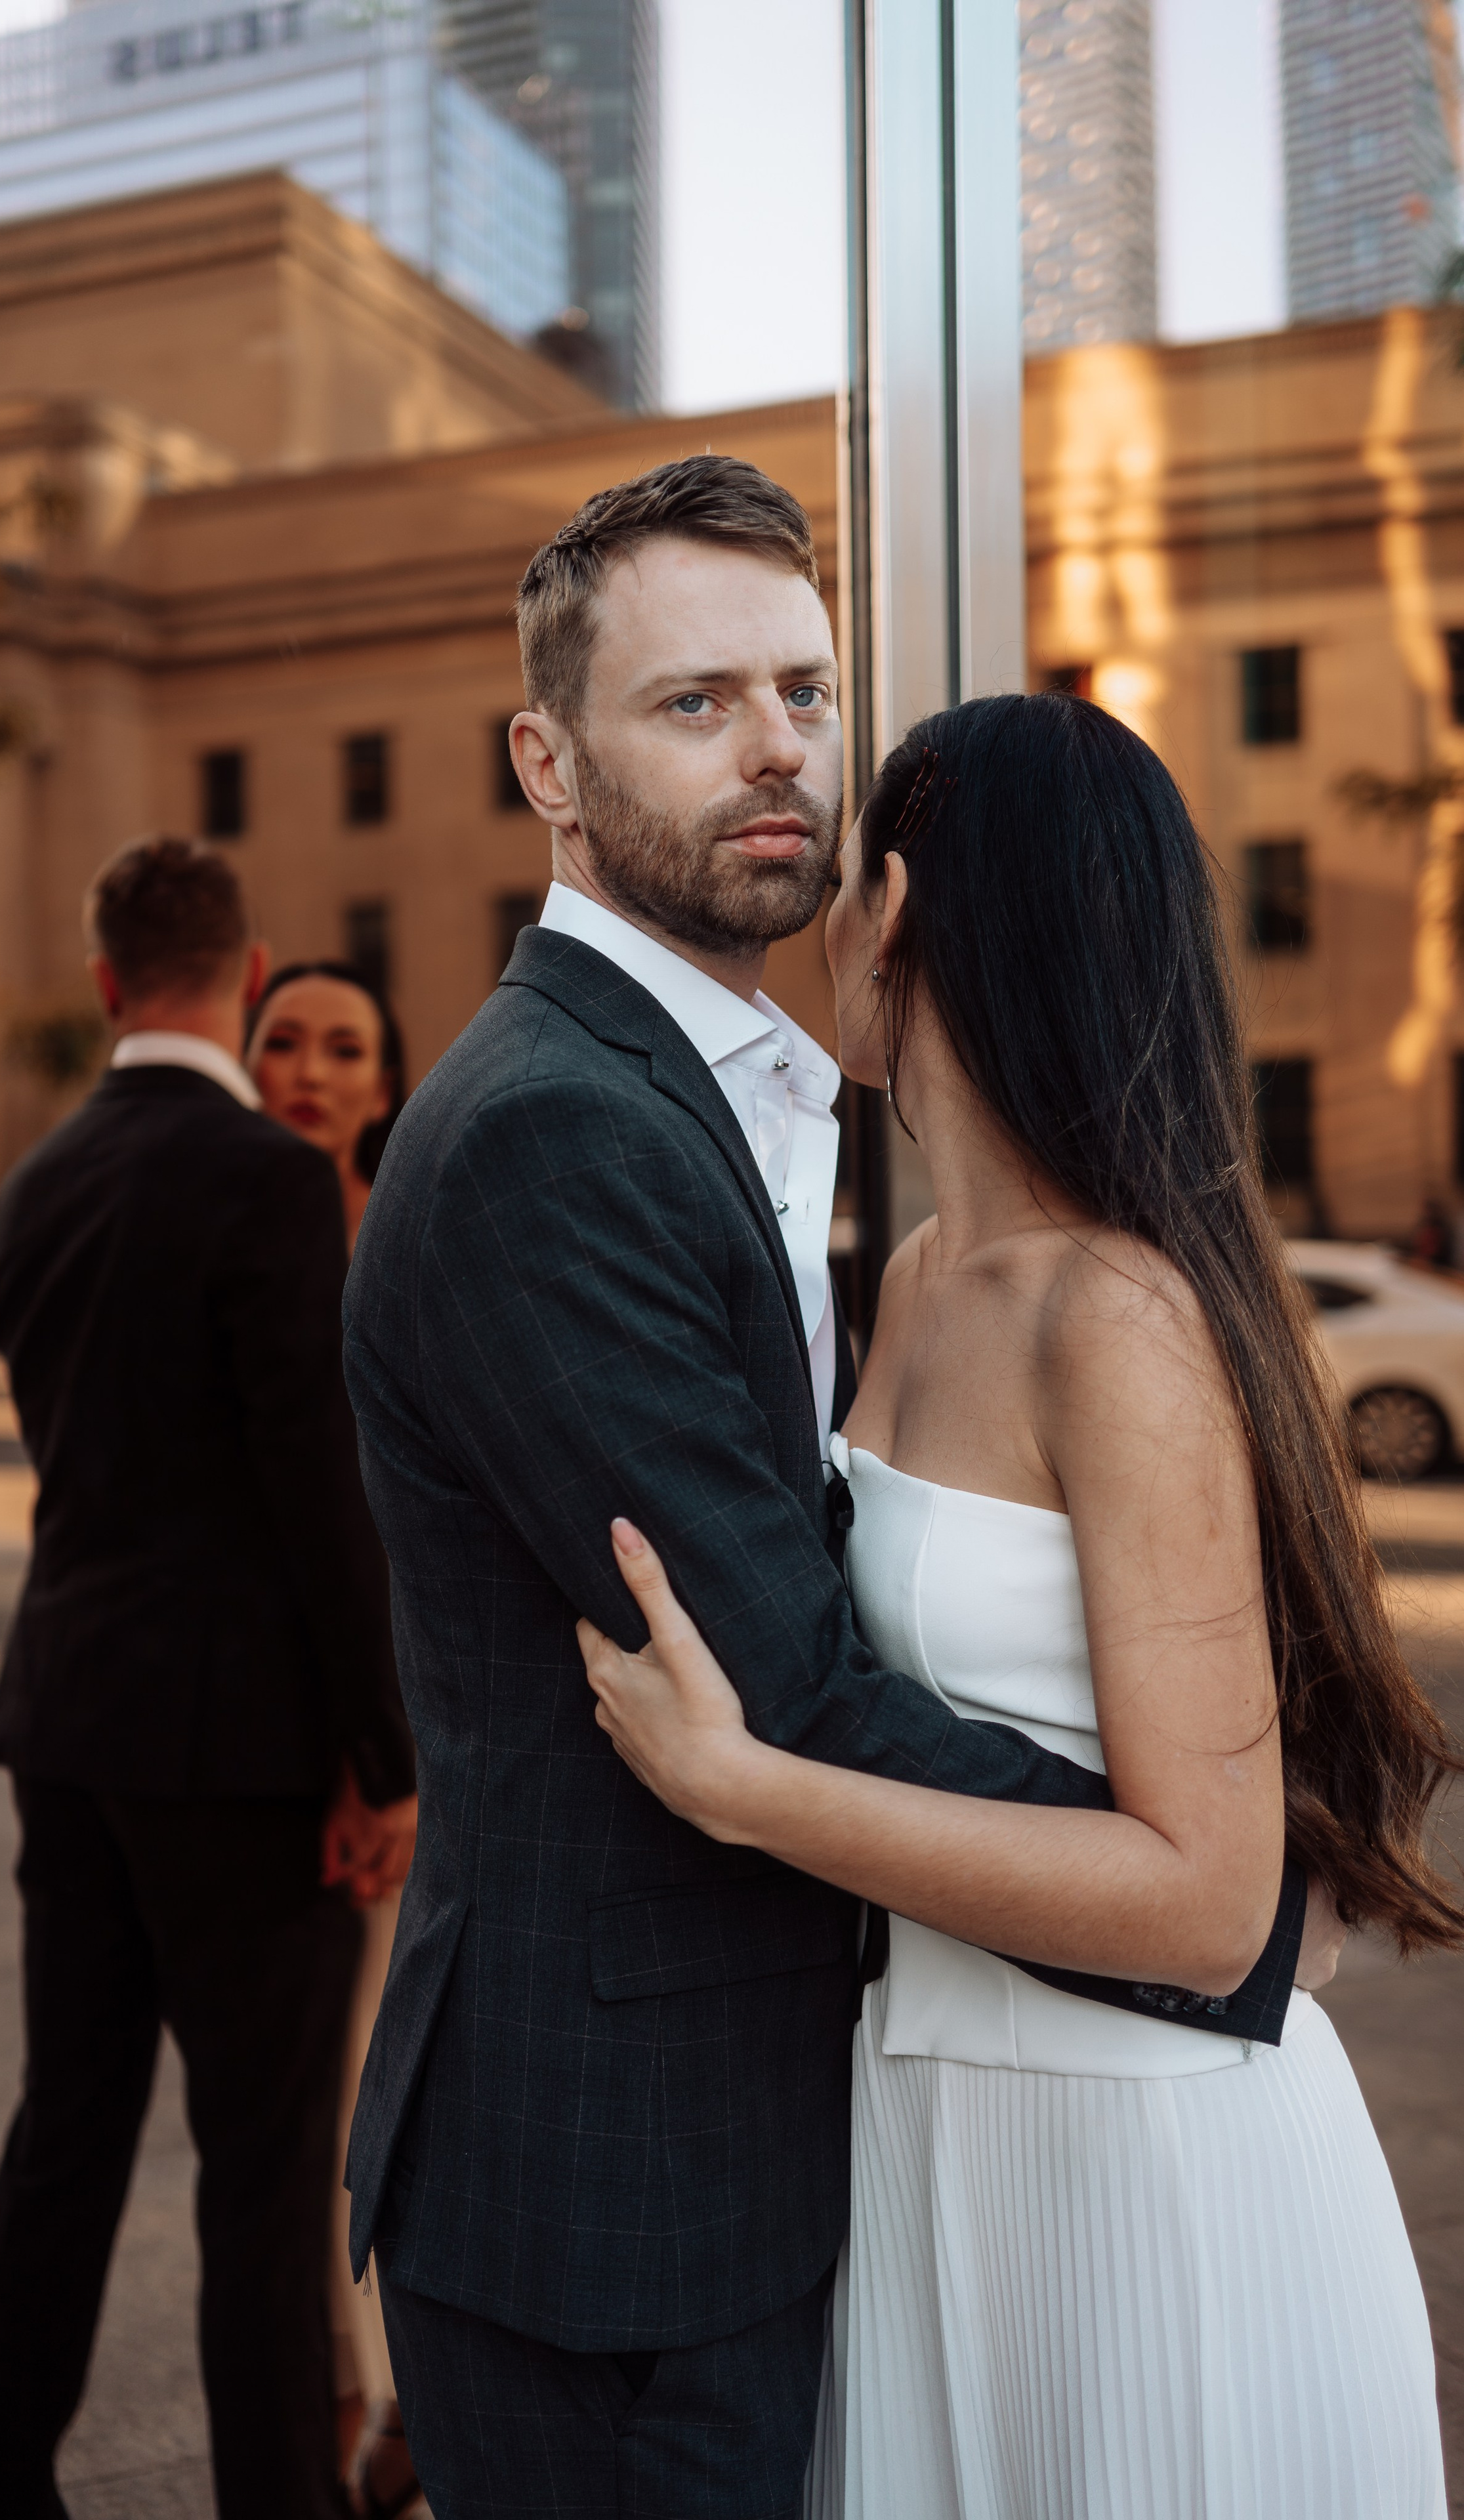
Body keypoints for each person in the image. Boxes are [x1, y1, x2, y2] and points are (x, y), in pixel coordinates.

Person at [339, 457, 1325, 2519]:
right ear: (548, 765)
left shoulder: (757, 1123)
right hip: (622, 2196)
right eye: (694, 702)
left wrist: (1206, 1872)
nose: (778, 746)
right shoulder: (558, 1133)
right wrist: (1213, 1900)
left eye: (802, 691)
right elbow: (780, 1684)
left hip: (806, 2151)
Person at [579, 694, 1461, 2520]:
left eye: (838, 882)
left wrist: (750, 1794)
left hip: (1142, 2165)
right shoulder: (918, 1277)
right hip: (924, 2136)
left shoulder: (1114, 1315)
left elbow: (1211, 1902)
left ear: (892, 910)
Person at [0, 837, 415, 2520]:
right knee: (259, 2179)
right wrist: (383, 1755)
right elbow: (312, 1495)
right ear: (248, 974)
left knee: (62, 2138)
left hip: (66, 1720)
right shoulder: (266, 1181)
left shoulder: (37, 1180)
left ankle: (4, 2486)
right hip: (239, 1757)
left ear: (104, 983)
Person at [245, 959, 426, 2520]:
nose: (309, 1071)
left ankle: (396, 2403)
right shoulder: (231, 1237)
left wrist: (395, 1768)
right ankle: (351, 2397)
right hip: (273, 1745)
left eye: (342, 1048)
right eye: (282, 1041)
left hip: (406, 1728)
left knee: (392, 2078)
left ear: (383, 1083)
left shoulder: (407, 1242)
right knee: (307, 2103)